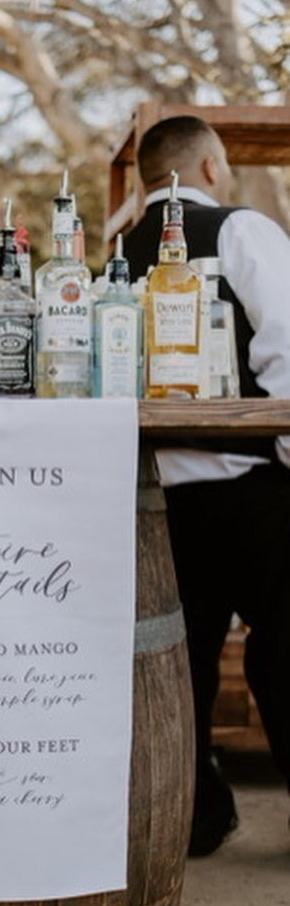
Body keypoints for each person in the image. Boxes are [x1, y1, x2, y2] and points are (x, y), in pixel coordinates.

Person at [124, 115, 290, 857]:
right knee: (284, 649)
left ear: (142, 178)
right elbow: (288, 340)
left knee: (178, 663)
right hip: (254, 485)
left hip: (160, 499)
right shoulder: (241, 230)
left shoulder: (116, 256)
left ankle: (193, 818)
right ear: (213, 167)